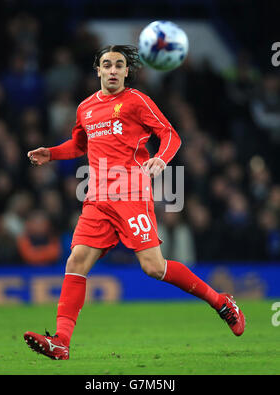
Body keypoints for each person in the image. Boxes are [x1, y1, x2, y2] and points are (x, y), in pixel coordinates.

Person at [24, 45, 245, 360]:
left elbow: (171, 135)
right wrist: (52, 153)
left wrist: (160, 159)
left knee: (153, 267)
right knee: (75, 262)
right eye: (106, 65)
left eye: (119, 65)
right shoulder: (85, 108)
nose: (112, 70)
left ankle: (221, 302)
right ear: (97, 70)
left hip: (131, 194)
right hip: (97, 198)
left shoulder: (136, 101)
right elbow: (79, 144)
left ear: (127, 71)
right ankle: (61, 340)